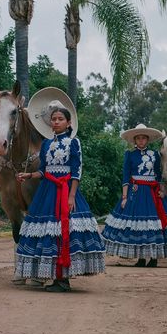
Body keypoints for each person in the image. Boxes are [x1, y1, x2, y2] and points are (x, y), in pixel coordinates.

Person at [14, 87, 105, 292]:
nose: (56, 122)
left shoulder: (74, 143)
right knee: (49, 233)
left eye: (60, 119)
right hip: (47, 192)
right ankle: (55, 277)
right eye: (53, 119)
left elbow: (76, 171)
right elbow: (44, 171)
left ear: (68, 122)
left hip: (65, 191)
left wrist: (72, 196)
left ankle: (63, 280)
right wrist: (29, 175)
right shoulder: (46, 145)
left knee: (66, 233)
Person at [101, 124, 167, 267]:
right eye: (138, 138)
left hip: (152, 193)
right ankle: (141, 259)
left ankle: (154, 258)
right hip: (135, 193)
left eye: (144, 138)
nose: (141, 141)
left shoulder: (155, 155)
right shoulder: (129, 155)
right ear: (134, 140)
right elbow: (125, 177)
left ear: (147, 140)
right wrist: (124, 197)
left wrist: (162, 190)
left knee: (154, 225)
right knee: (137, 226)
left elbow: (158, 174)